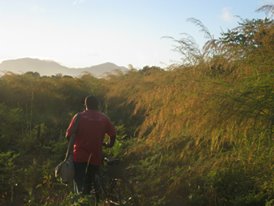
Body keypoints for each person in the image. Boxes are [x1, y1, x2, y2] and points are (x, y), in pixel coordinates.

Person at [65, 95, 116, 196]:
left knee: (81, 189)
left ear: (85, 105)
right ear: (97, 105)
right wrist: (109, 145)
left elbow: (68, 136)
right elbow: (113, 135)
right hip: (96, 157)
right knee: (95, 186)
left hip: (79, 157)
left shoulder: (78, 117)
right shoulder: (104, 118)